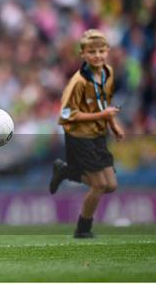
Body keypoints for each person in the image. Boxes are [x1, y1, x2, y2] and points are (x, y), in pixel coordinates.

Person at [49, 29, 125, 238]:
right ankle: (83, 229)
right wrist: (102, 115)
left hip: (98, 135)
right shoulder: (78, 82)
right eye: (92, 52)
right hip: (79, 136)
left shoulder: (107, 73)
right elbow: (67, 115)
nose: (97, 55)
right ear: (83, 54)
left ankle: (66, 171)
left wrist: (113, 125)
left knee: (110, 185)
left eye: (101, 51)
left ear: (107, 51)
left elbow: (104, 104)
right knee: (99, 184)